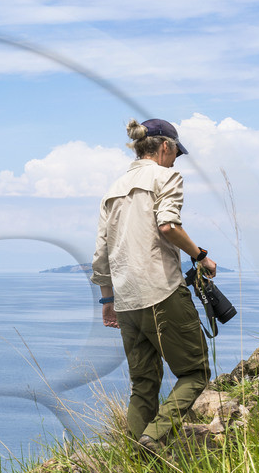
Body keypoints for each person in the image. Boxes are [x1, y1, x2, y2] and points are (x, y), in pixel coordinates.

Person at [93, 118, 218, 453]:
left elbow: (101, 251)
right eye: (176, 151)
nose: (177, 159)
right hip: (161, 291)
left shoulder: (113, 188)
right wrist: (200, 255)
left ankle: (139, 465)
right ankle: (155, 436)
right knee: (196, 372)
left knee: (143, 384)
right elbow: (167, 226)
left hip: (126, 299)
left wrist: (107, 298)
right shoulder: (167, 176)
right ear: (165, 146)